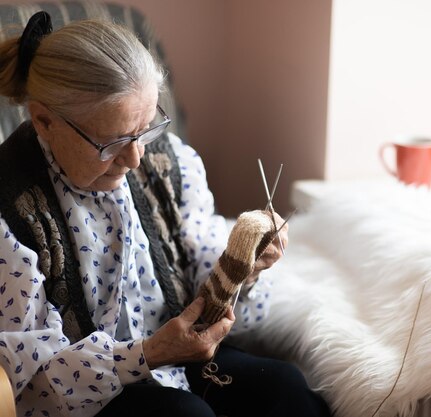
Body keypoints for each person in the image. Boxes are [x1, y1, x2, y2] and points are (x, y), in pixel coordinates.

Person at [0, 11, 331, 417]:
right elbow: (31, 380)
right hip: (89, 395)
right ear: (44, 121)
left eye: (144, 129)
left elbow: (201, 274)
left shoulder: (169, 161)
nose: (136, 158)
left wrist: (242, 267)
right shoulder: (9, 210)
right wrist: (148, 354)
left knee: (284, 387)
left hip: (183, 363)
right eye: (114, 142)